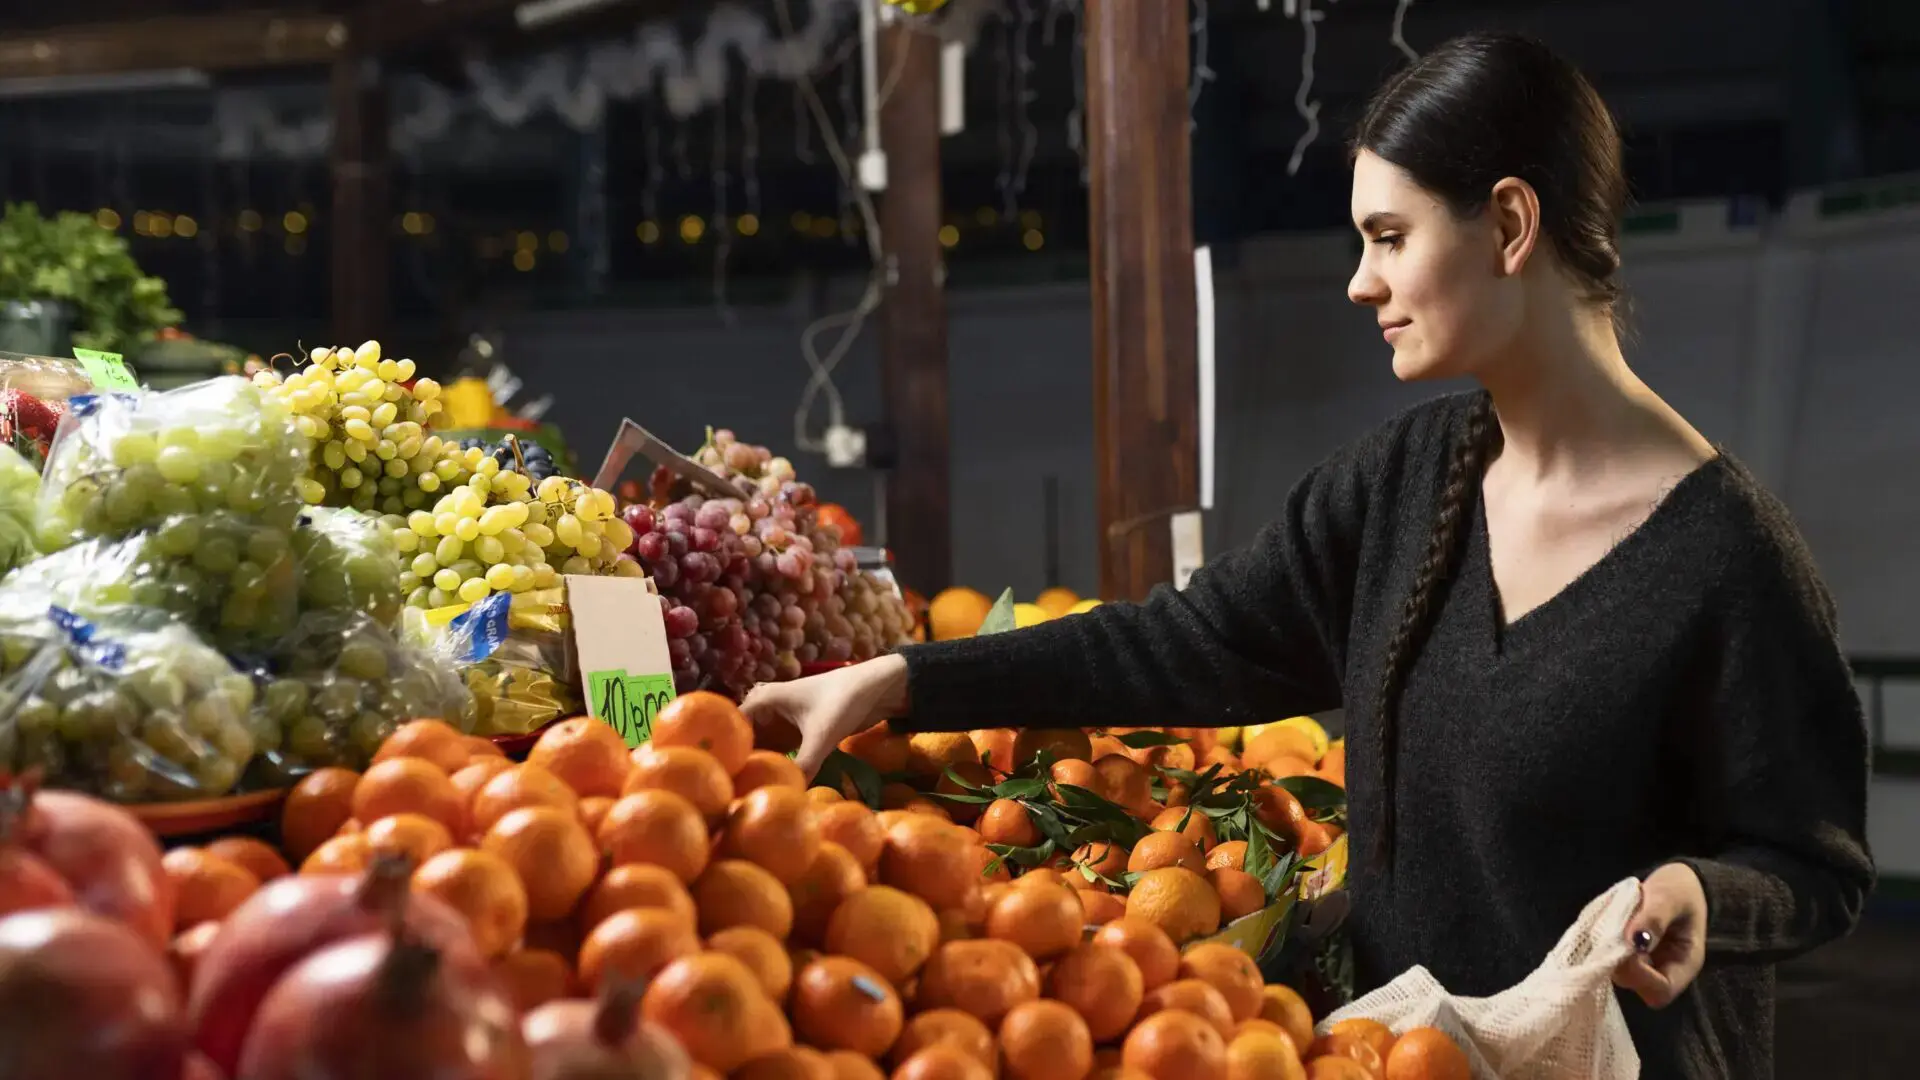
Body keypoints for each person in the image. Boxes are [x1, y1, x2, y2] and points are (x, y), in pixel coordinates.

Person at [742, 31, 1872, 1080]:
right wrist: (901, 679)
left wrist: (1702, 893)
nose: (1359, 281)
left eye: (1389, 237)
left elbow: (1815, 864)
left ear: (1512, 225)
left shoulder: (1729, 563)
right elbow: (1186, 645)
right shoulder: (1401, 486)